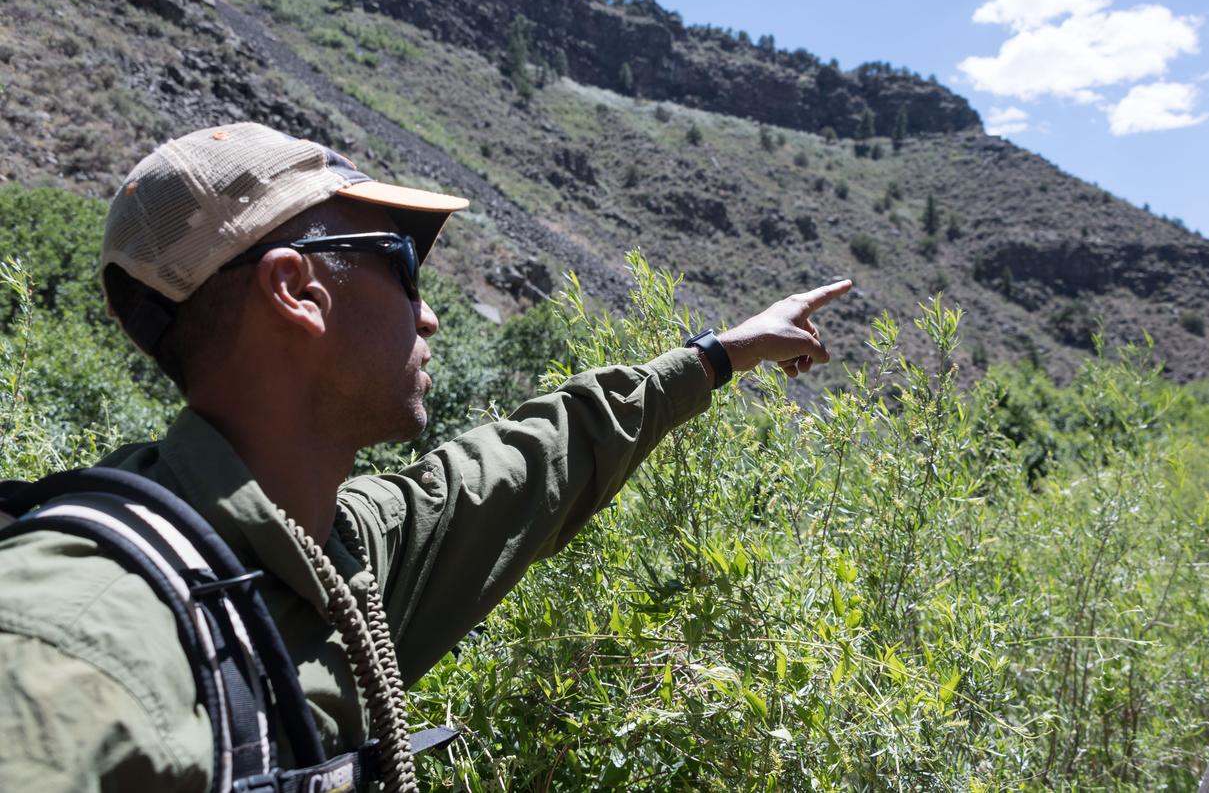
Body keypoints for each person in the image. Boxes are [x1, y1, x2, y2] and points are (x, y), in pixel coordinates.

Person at [0, 122, 851, 791]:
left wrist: (721, 355)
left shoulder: (332, 548)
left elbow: (530, 461)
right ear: (298, 290)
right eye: (405, 265)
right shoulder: (77, 642)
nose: (431, 315)